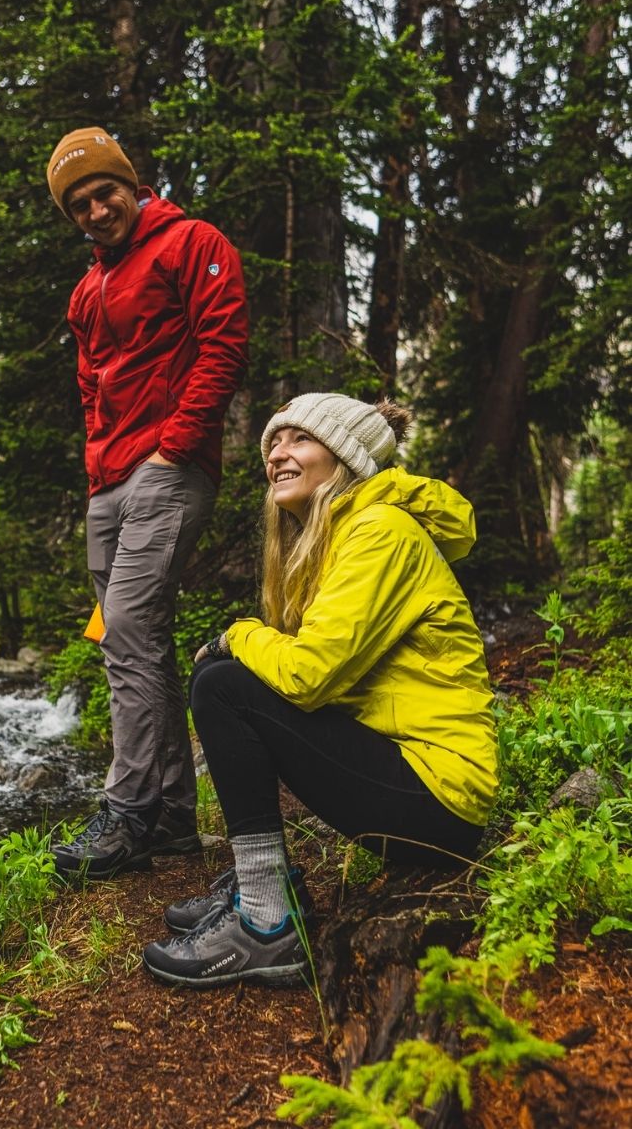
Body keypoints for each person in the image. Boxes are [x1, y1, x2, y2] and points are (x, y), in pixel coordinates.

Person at [142, 392, 498, 987]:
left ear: (345, 458)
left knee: (225, 684)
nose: (278, 454)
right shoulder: (339, 533)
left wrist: (239, 634)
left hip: (438, 800)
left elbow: (307, 676)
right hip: (408, 775)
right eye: (273, 443)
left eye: (299, 440)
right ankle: (263, 883)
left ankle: (265, 922)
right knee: (222, 676)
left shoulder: (381, 532)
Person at [45, 127, 249, 879]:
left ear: (132, 184)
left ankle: (127, 809)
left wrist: (175, 446)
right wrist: (100, 466)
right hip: (110, 481)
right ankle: (168, 818)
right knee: (132, 641)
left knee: (129, 626)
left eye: (106, 193)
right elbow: (91, 382)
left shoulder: (192, 243)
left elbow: (224, 345)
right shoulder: (86, 289)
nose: (97, 211)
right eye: (80, 205)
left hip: (168, 466)